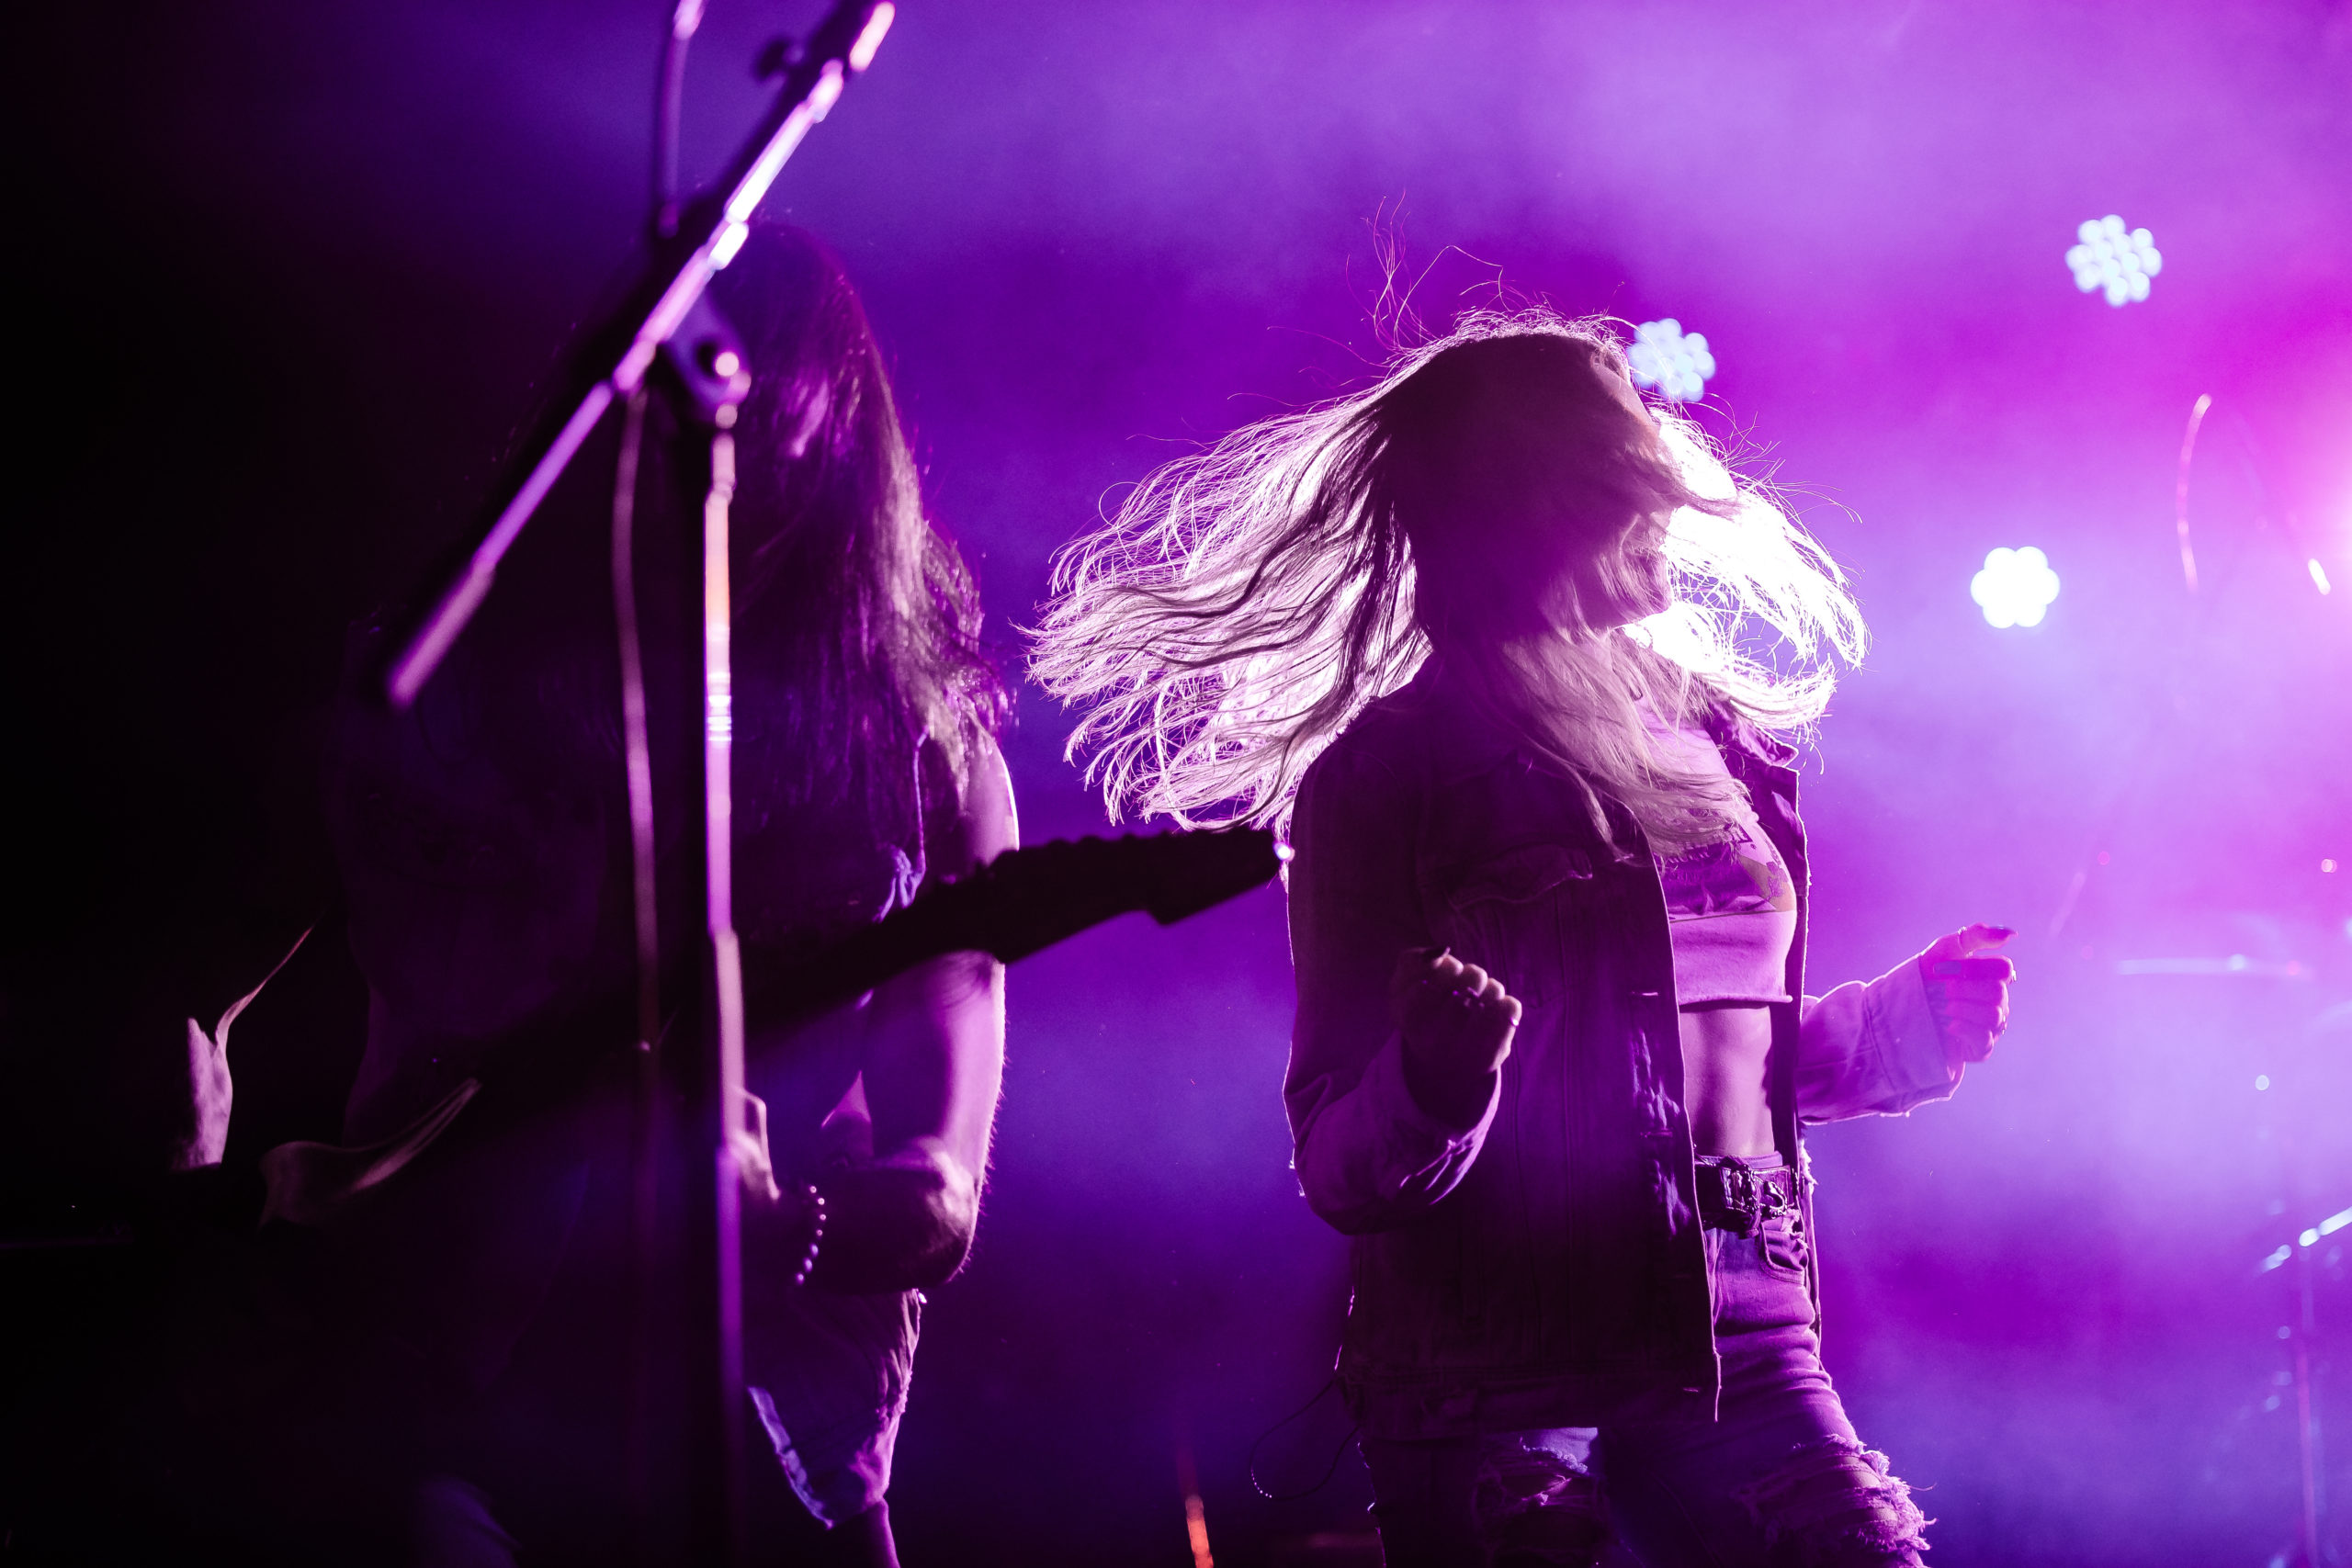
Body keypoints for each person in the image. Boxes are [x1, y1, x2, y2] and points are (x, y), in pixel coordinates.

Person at [1032, 309, 2014, 1566]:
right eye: (1624, 477)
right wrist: (1435, 1083)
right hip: (1497, 1382)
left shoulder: (1724, 749)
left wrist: (1895, 1030)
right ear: (1535, 511)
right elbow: (1338, 1162)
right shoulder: (1386, 777)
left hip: (1745, 1351)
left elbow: (1695, 1078)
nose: (1664, 502)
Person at [159, 223, 1012, 1566]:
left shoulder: (919, 760)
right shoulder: (433, 691)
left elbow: (940, 1192)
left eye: (750, 460)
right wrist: (184, 1204)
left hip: (765, 1425)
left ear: (825, 458)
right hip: (433, 1385)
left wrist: (790, 1226)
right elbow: (190, 994)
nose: (700, 504)